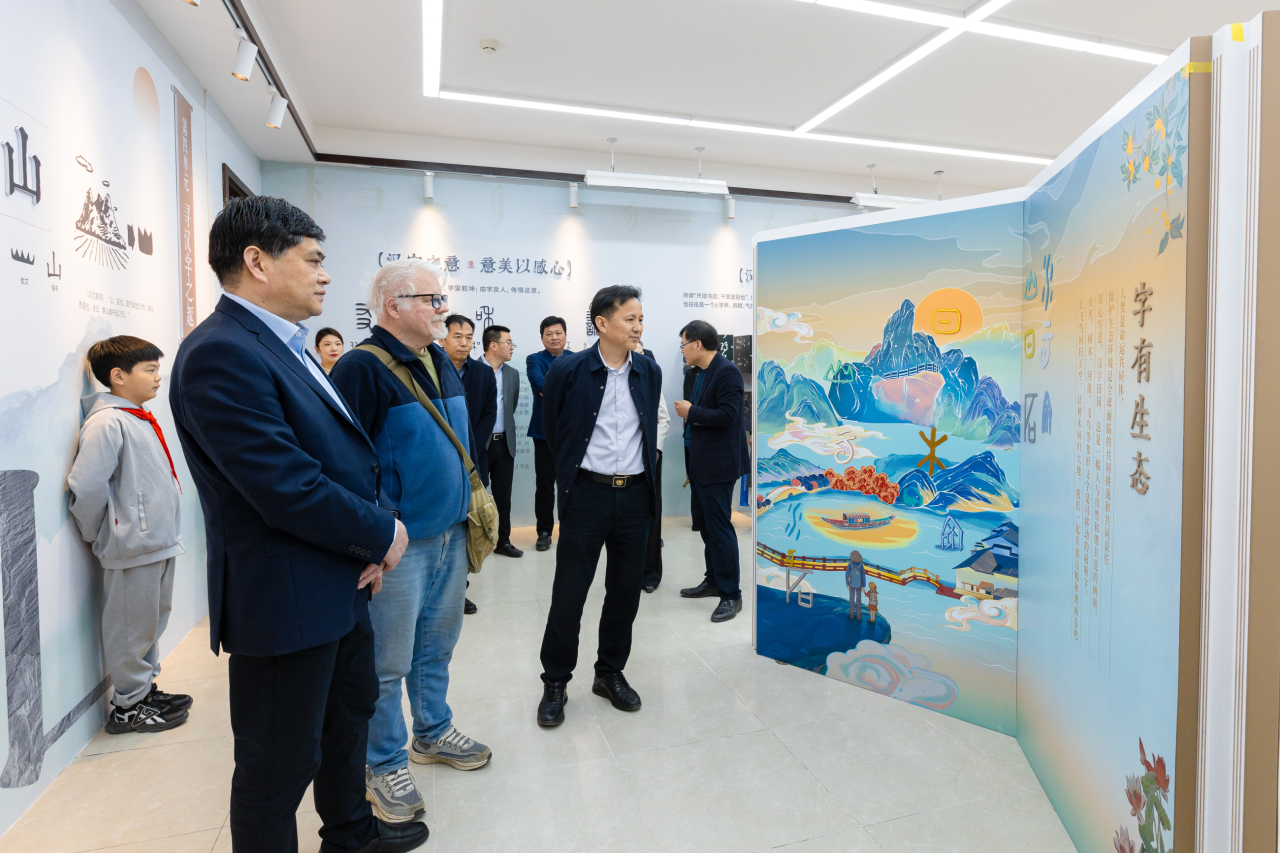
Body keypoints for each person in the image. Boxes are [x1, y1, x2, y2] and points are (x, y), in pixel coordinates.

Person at [169, 197, 421, 853]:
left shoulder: (285, 343)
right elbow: (286, 487)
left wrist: (365, 543)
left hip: (339, 576)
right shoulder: (220, 353)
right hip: (284, 600)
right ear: (257, 261)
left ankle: (351, 834)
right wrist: (383, 534)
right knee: (278, 766)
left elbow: (343, 458)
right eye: (312, 259)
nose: (325, 274)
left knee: (347, 720)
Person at [330, 258, 493, 827]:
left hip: (450, 532)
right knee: (387, 661)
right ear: (393, 306)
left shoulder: (438, 359)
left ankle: (432, 730)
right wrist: (372, 540)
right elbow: (344, 464)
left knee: (437, 644)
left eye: (441, 298)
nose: (443, 309)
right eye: (431, 299)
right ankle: (383, 762)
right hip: (400, 545)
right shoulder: (361, 367)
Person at [536, 286, 661, 727]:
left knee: (625, 592)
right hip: (587, 494)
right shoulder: (568, 370)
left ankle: (609, 672)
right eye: (630, 319)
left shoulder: (648, 370)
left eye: (640, 319)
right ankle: (555, 681)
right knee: (569, 593)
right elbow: (555, 431)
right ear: (602, 323)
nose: (638, 326)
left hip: (635, 496)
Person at [68, 336, 191, 734]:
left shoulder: (136, 416)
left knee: (149, 625)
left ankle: (143, 692)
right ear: (118, 376)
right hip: (133, 545)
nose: (158, 377)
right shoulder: (107, 422)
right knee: (130, 630)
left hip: (156, 541)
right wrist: (102, 534)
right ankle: (128, 708)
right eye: (150, 370)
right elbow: (86, 487)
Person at [676, 320, 750, 622]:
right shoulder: (701, 373)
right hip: (702, 462)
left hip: (719, 465)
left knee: (719, 529)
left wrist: (691, 412)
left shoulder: (727, 371)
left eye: (683, 344)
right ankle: (714, 580)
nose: (682, 350)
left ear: (697, 344)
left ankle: (732, 595)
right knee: (707, 527)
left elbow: (729, 415)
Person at [441, 314, 494, 614]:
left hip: (474, 461)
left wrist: (471, 451)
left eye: (469, 337)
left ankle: (458, 590)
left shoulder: (483, 373)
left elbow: (489, 414)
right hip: (441, 463)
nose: (464, 343)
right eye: (457, 336)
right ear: (442, 338)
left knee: (467, 525)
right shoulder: (431, 370)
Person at [526, 316, 571, 551]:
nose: (554, 337)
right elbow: (540, 384)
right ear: (542, 338)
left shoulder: (577, 358)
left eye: (558, 333)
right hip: (544, 434)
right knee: (545, 485)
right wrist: (566, 389)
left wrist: (554, 390)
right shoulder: (534, 359)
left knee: (573, 484)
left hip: (572, 433)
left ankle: (572, 528)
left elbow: (584, 389)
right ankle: (544, 531)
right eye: (549, 334)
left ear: (565, 335)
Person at [632, 339, 670, 593]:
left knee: (651, 514)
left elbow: (663, 418)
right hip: (618, 461)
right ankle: (629, 572)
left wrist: (655, 450)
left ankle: (650, 573)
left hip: (648, 455)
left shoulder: (650, 377)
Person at [482, 324, 522, 558]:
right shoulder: (473, 370)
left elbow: (511, 407)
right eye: (508, 343)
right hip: (480, 444)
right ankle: (475, 541)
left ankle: (503, 541)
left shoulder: (512, 374)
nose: (512, 347)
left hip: (505, 443)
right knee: (476, 496)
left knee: (503, 497)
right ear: (493, 346)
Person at [846, 550, 865, 620]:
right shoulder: (861, 566)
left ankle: (851, 613)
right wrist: (863, 586)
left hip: (851, 585)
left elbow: (847, 574)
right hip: (859, 586)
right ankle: (858, 615)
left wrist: (847, 584)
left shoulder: (850, 565)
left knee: (851, 599)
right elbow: (863, 576)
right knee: (858, 600)